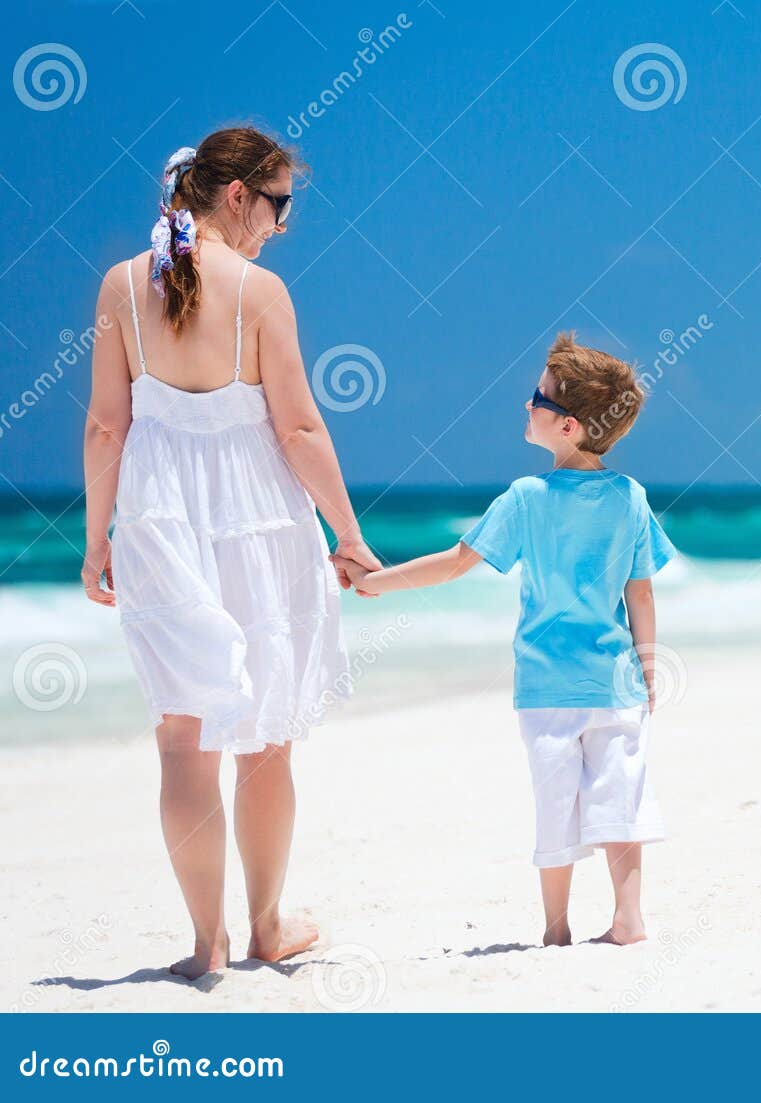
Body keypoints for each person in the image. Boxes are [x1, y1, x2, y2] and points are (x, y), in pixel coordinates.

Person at [81, 127, 380, 979]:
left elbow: (108, 424)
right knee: (264, 740)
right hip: (256, 522)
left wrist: (99, 536)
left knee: (182, 739)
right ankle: (267, 926)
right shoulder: (260, 292)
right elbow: (296, 427)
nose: (283, 225)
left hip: (158, 520)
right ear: (239, 196)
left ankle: (205, 945)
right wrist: (349, 534)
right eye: (279, 204)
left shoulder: (119, 286)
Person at [336, 333, 673, 946]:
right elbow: (641, 592)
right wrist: (648, 666)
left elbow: (456, 563)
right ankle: (629, 919)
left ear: (567, 427)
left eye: (536, 396)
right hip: (616, 683)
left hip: (546, 687)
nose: (525, 405)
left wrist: (377, 584)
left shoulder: (528, 498)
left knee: (555, 804)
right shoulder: (631, 497)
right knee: (619, 799)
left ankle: (556, 929)